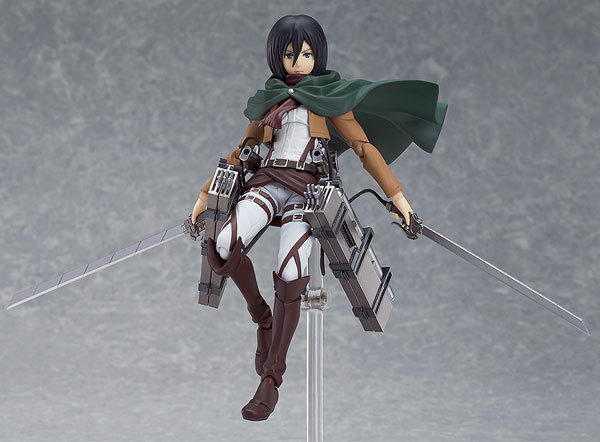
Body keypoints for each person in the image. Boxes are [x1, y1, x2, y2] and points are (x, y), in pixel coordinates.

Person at [191, 14, 447, 421]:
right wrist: (204, 196)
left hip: (306, 191)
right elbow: (241, 152)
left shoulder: (330, 98)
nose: (299, 62)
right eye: (290, 54)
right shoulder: (270, 99)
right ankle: (262, 317)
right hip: (266, 181)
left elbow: (363, 148)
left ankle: (271, 378)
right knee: (222, 243)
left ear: (318, 56)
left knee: (291, 270)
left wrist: (398, 197)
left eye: (307, 54)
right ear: (277, 57)